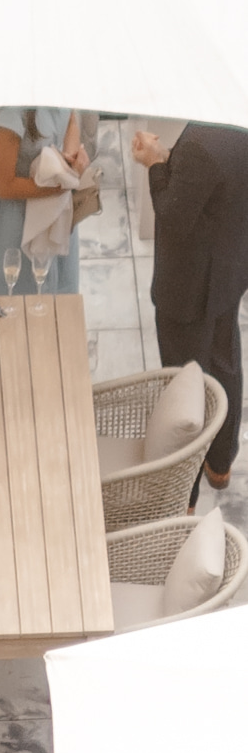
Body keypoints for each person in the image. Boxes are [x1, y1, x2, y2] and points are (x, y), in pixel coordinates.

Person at [135, 120, 248, 499]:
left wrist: (155, 164)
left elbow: (173, 214)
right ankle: (221, 462)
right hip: (230, 272)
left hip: (187, 287)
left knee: (186, 384)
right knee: (225, 360)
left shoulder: (202, 141)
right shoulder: (236, 125)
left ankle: (185, 494)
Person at [0, 107, 96, 304]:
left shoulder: (56, 95)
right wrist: (61, 185)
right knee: (13, 301)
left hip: (56, 215)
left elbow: (71, 118)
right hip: (15, 226)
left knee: (58, 302)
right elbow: (3, 185)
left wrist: (70, 162)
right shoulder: (8, 114)